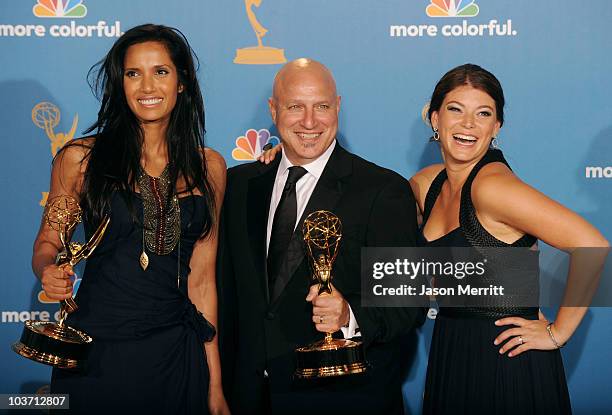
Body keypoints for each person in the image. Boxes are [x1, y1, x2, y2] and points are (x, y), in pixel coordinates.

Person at [33, 24, 230, 414]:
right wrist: (47, 270)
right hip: (95, 351)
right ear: (120, 84)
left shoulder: (209, 167)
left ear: (182, 82)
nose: (146, 86)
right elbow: (47, 243)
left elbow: (203, 281)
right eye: (133, 73)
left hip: (176, 352)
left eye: (160, 71)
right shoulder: (80, 160)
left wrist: (216, 385)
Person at [217, 58, 425, 415]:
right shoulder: (237, 187)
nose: (310, 121)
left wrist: (349, 314)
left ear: (338, 106)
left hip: (341, 399)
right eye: (295, 106)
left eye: (322, 106)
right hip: (248, 399)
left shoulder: (382, 190)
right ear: (273, 109)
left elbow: (407, 304)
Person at [409, 63, 609, 414]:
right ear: (435, 118)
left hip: (506, 357)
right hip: (450, 350)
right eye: (456, 109)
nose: (468, 124)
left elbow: (592, 245)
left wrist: (557, 333)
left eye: (483, 113)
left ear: (496, 126)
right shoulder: (426, 184)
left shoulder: (494, 188)